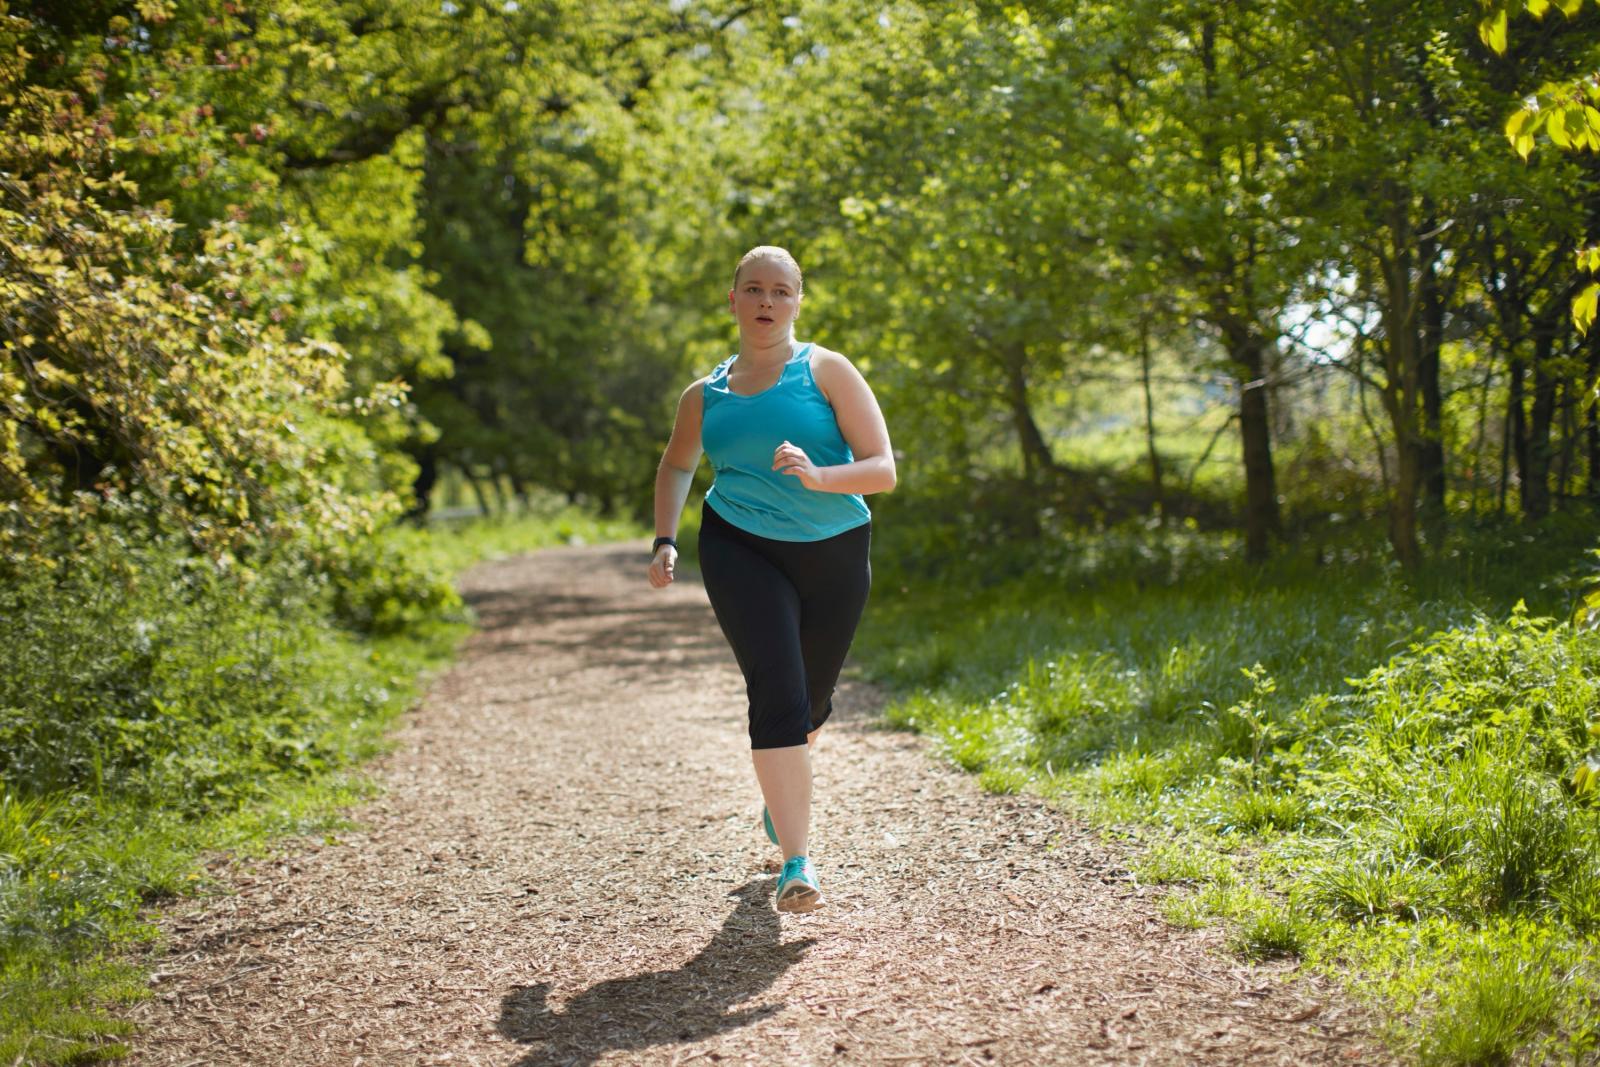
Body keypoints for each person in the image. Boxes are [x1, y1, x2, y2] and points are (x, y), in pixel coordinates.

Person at [647, 245, 896, 914]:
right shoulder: (705, 396)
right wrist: (666, 537)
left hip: (835, 547)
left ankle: (782, 789)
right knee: (777, 692)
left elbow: (882, 468)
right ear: (732, 301)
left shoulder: (827, 371)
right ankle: (797, 861)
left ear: (797, 302)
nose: (765, 302)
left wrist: (819, 475)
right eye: (753, 289)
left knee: (810, 703)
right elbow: (676, 466)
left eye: (780, 291)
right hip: (739, 545)